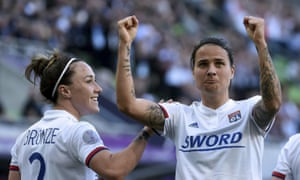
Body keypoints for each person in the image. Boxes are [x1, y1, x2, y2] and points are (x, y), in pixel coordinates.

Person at [115, 15, 282, 179]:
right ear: (193, 74)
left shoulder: (249, 111)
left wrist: (260, 44)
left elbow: (273, 103)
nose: (211, 70)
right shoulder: (179, 116)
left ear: (232, 72)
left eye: (219, 63)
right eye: (203, 64)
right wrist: (125, 44)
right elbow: (127, 105)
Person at [8, 51, 154, 180]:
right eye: (89, 81)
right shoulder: (78, 130)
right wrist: (147, 132)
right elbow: (114, 169)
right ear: (65, 91)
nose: (99, 88)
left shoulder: (23, 138)